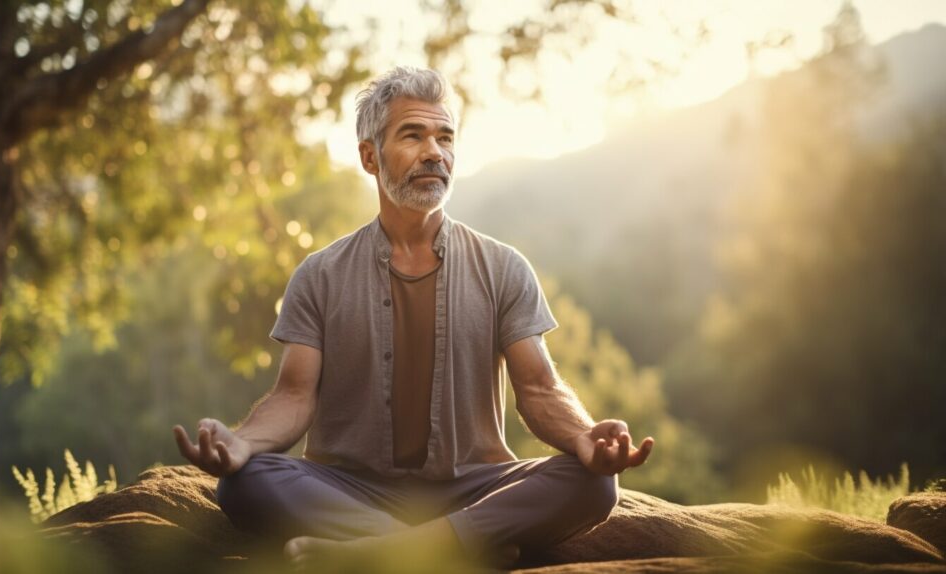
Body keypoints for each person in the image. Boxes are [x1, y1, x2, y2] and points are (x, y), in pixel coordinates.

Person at [173, 66, 654, 570]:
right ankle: (457, 547)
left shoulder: (504, 267)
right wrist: (241, 442)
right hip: (350, 488)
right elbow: (293, 396)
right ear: (369, 157)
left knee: (595, 482)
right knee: (245, 480)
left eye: (445, 137)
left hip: (472, 485)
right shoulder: (319, 275)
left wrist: (583, 436)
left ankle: (390, 550)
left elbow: (539, 390)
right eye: (413, 135)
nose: (434, 152)